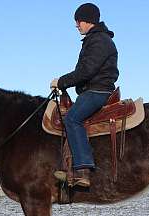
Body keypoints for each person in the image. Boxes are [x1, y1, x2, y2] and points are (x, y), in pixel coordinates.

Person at [51, 3, 119, 188]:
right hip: (93, 89)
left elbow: (86, 71)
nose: (76, 25)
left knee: (72, 119)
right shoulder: (95, 40)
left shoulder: (99, 41)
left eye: (78, 21)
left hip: (98, 90)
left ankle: (82, 169)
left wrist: (61, 81)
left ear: (87, 20)